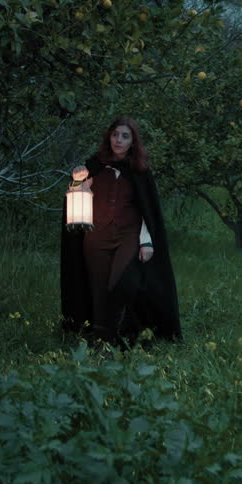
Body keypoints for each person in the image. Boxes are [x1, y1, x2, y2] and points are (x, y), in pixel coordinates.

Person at [60, 117, 181, 345]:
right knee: (98, 289)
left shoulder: (140, 172)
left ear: (133, 142)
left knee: (123, 283)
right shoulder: (94, 166)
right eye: (115, 135)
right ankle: (104, 341)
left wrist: (146, 241)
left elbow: (148, 212)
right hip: (96, 237)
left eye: (125, 136)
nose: (119, 140)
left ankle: (127, 332)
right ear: (109, 137)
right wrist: (77, 180)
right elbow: (77, 199)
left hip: (128, 235)